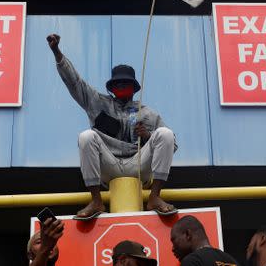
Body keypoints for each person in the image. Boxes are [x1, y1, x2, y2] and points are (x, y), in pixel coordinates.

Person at [47, 33, 178, 219]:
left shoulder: (149, 113)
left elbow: (172, 146)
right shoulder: (98, 103)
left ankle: (155, 196)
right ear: (111, 87)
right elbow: (75, 83)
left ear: (134, 87)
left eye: (126, 83)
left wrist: (149, 136)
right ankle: (96, 201)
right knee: (86, 136)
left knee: (165, 133)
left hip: (140, 164)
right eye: (118, 83)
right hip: (110, 165)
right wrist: (57, 53)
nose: (122, 85)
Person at [170, 215, 240, 266]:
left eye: (174, 241)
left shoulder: (192, 261)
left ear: (188, 234)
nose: (173, 248)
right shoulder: (232, 261)